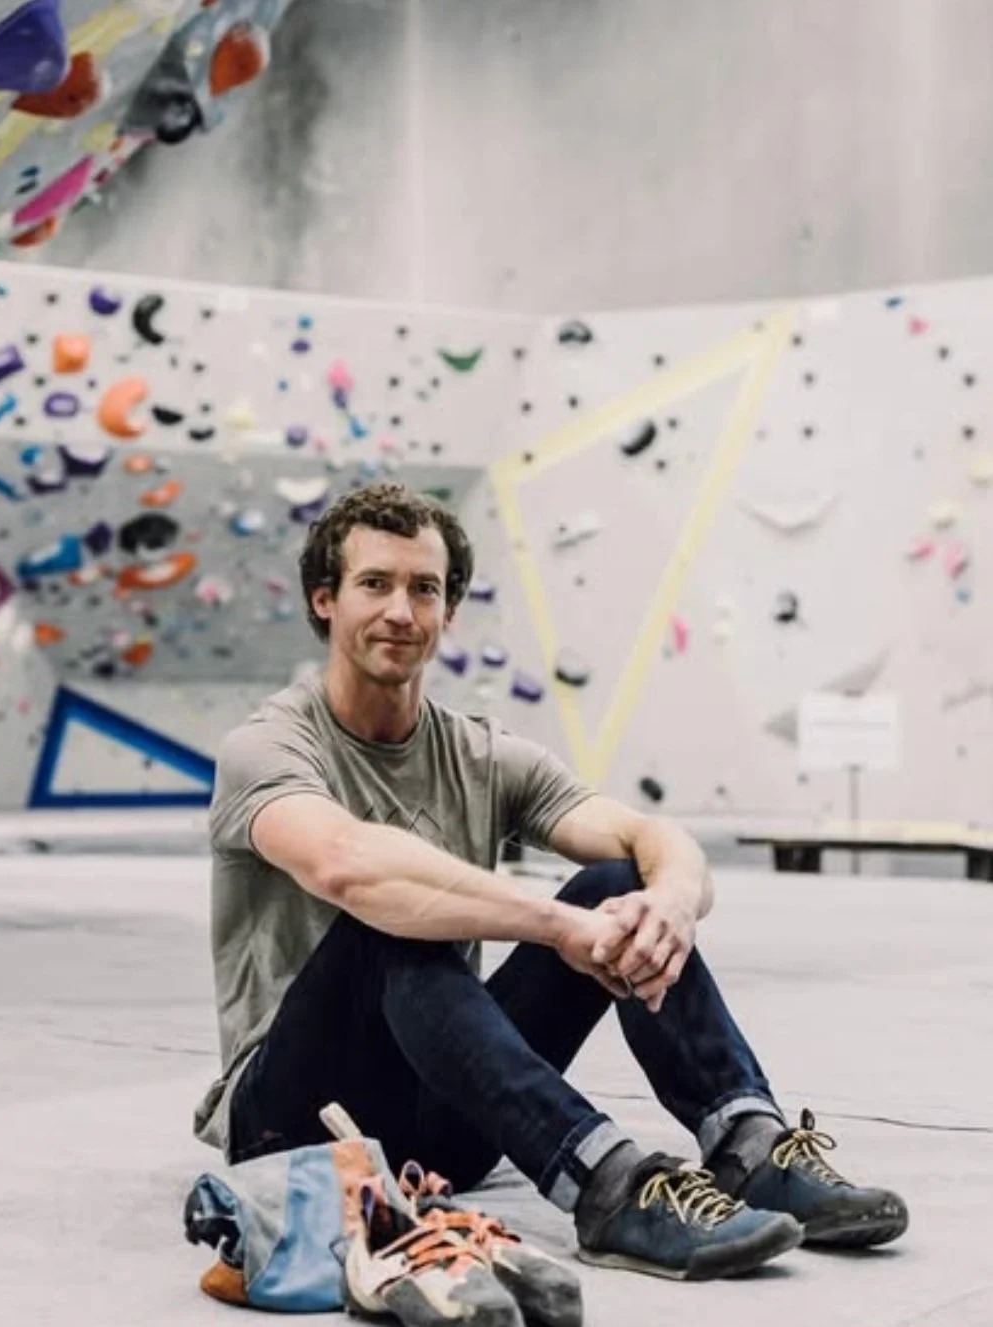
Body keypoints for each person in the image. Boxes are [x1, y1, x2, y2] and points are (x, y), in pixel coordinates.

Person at [193, 482, 908, 1282]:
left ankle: (747, 1138)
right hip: (295, 1124)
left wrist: (667, 900)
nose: (401, 609)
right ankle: (607, 1184)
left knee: (618, 879)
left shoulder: (481, 753)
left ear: (448, 612)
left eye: (424, 588)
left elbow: (648, 836)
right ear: (324, 601)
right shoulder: (267, 746)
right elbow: (348, 865)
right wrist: (557, 926)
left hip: (443, 1125)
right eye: (375, 584)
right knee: (385, 926)